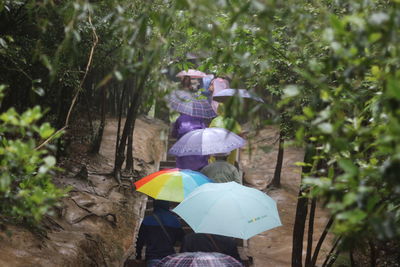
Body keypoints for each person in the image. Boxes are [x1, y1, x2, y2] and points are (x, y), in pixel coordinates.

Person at [136, 200, 184, 267]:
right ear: (168, 206)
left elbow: (140, 240)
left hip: (152, 257)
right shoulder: (175, 221)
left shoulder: (147, 220)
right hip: (169, 258)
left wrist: (138, 256)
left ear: (155, 205)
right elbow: (182, 239)